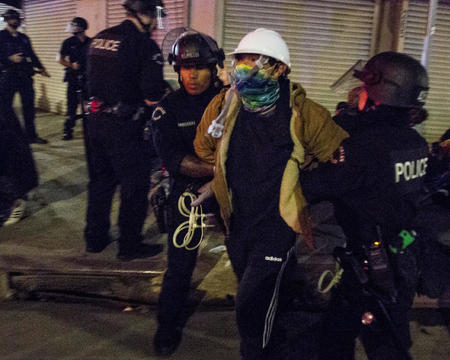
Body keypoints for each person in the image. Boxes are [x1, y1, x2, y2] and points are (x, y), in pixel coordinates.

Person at [192, 28, 349, 359]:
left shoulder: (303, 112)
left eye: (256, 62)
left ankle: (257, 354)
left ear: (280, 69)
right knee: (259, 298)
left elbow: (338, 158)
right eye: (241, 61)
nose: (244, 68)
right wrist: (216, 179)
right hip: (236, 224)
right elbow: (205, 148)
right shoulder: (224, 104)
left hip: (276, 227)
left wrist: (305, 188)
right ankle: (277, 339)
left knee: (250, 306)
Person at [300, 51, 430, 359]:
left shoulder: (361, 148)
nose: (358, 94)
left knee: (380, 344)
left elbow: (311, 188)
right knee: (360, 331)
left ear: (379, 93)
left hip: (373, 266)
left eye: (364, 88)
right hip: (401, 254)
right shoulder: (415, 142)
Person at [150, 30, 226, 356]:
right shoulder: (168, 110)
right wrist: (220, 170)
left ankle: (261, 327)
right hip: (189, 193)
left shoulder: (232, 100)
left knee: (252, 260)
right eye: (183, 68)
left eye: (198, 68)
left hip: (232, 193)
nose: (191, 75)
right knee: (180, 266)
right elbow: (176, 161)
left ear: (214, 68)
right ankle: (167, 328)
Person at [84, 0, 166, 261]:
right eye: (155, 17)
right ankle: (129, 245)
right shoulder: (145, 46)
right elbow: (153, 96)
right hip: (125, 127)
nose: (155, 24)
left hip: (93, 122)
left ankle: (95, 239)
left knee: (100, 182)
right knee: (134, 186)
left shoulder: (100, 38)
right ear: (147, 14)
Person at [0, 8, 50, 144]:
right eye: (11, 18)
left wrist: (41, 68)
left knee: (28, 107)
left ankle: (31, 135)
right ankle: (8, 137)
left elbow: (32, 54)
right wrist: (9, 58)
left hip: (25, 76)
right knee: (5, 108)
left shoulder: (24, 38)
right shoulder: (1, 36)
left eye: (16, 18)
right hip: (8, 76)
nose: (15, 20)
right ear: (6, 20)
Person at [58, 17, 91, 141]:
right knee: (71, 105)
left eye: (74, 25)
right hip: (73, 78)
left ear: (81, 27)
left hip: (87, 79)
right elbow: (59, 59)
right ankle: (68, 130)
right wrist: (71, 65)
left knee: (89, 105)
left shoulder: (91, 42)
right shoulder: (68, 42)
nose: (71, 28)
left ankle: (90, 129)